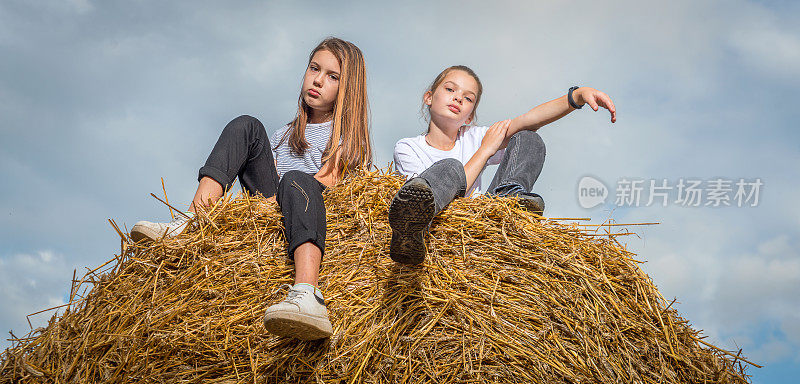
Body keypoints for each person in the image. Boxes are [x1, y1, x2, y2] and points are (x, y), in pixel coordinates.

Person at [130, 37, 372, 340]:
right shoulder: (283, 134)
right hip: (269, 207)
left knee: (297, 179)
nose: (318, 80)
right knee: (245, 124)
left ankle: (308, 292)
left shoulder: (347, 139)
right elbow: (263, 175)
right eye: (314, 69)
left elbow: (327, 184)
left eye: (332, 77)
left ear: (347, 89)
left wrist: (285, 189)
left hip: (307, 211)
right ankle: (191, 221)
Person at [389, 65, 616, 265]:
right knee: (449, 167)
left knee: (528, 137)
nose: (458, 98)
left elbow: (528, 120)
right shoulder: (407, 147)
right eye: (450, 89)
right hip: (439, 222)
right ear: (428, 97)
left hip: (480, 220)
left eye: (468, 98)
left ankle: (509, 200)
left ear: (469, 117)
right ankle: (412, 226)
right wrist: (486, 150)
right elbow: (438, 191)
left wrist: (576, 96)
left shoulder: (474, 136)